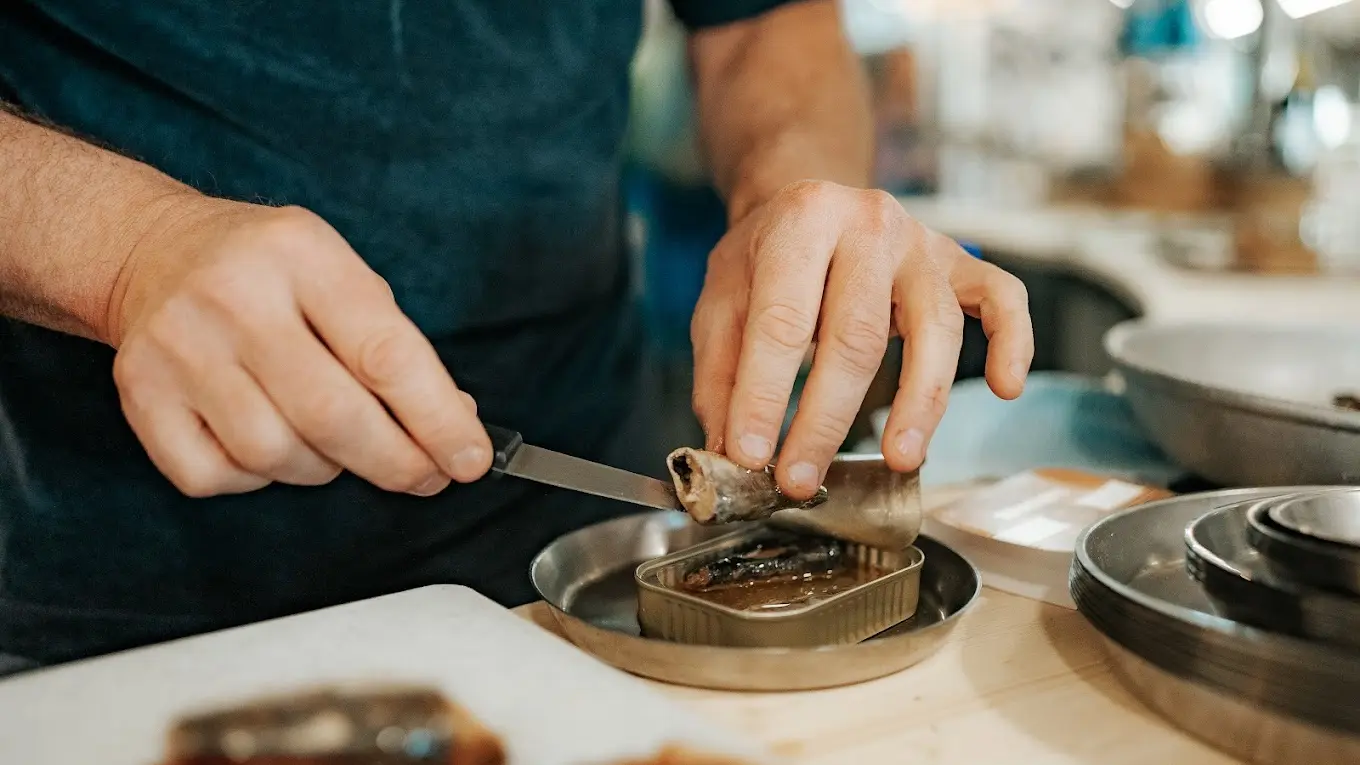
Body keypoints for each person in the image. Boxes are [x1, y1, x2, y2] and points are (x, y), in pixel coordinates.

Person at [0, 0, 1033, 674]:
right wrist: (121, 252)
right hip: (100, 592)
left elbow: (767, 25)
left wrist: (792, 185)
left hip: (573, 568)